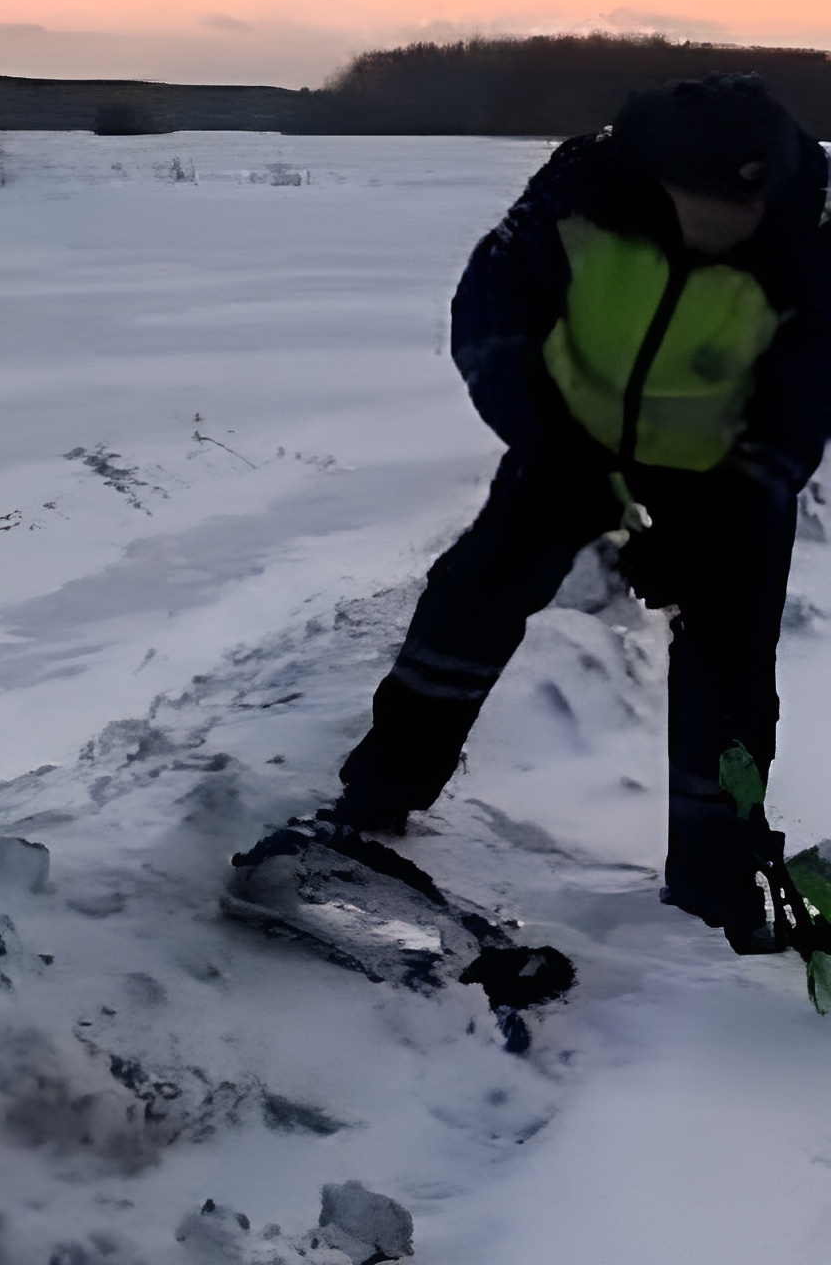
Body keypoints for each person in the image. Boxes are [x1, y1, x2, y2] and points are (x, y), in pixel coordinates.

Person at [328, 72, 831, 954]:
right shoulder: (578, 196)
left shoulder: (808, 241)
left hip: (725, 474)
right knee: (471, 602)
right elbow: (488, 317)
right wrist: (545, 441)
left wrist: (721, 512)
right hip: (566, 443)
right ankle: (378, 795)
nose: (732, 229)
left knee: (729, 665)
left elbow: (805, 403)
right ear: (662, 182)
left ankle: (715, 880)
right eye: (711, 207)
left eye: (747, 208)